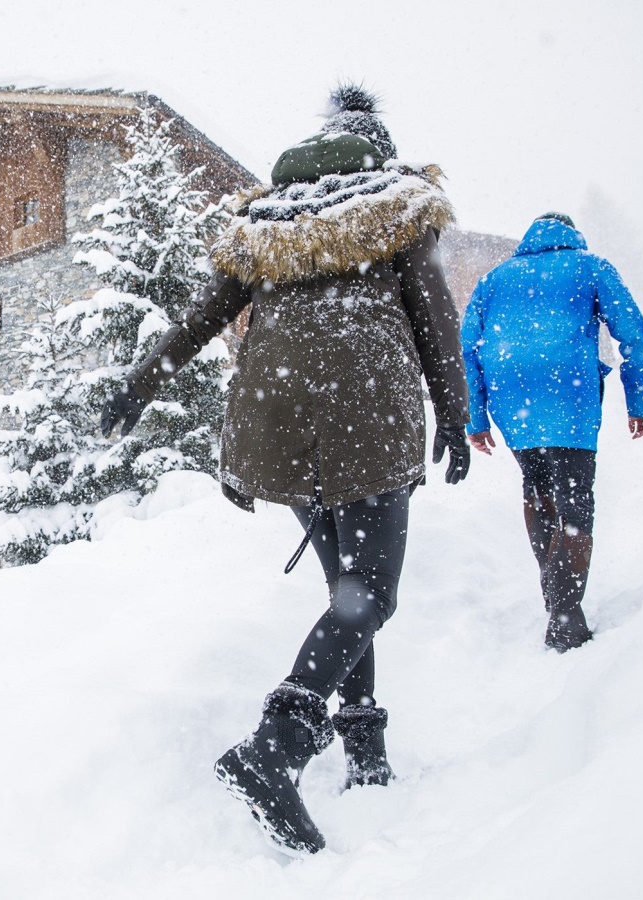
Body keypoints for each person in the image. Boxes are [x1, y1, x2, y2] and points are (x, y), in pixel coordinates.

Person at [100, 85, 471, 855]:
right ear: (376, 142)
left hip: (275, 423)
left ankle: (363, 744)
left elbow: (202, 317)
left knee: (345, 591)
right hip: (366, 416)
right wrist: (457, 416)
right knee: (369, 597)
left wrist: (140, 381)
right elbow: (435, 319)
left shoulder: (266, 219)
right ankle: (275, 749)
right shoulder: (400, 203)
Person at [461, 212, 643, 652]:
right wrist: (640, 400)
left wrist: (477, 416)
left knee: (539, 489)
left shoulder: (495, 278)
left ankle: (556, 599)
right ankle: (566, 616)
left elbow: (466, 349)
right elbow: (634, 335)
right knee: (575, 499)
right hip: (568, 391)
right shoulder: (590, 266)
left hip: (512, 396)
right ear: (572, 234)